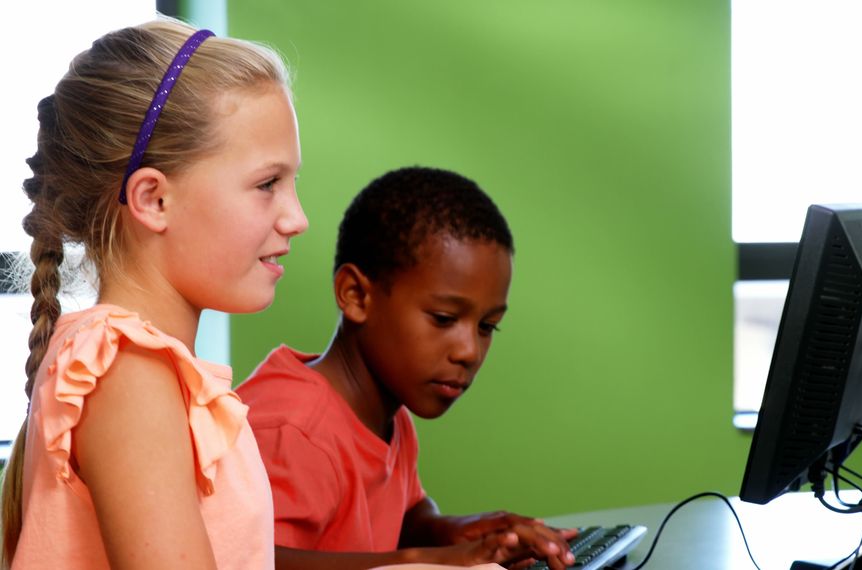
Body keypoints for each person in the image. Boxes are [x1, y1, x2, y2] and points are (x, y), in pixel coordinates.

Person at [0, 18, 308, 570]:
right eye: (267, 185)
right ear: (153, 200)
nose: (297, 218)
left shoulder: (130, 367)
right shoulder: (126, 372)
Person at [236, 166, 577, 570]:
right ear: (356, 295)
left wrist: (457, 534)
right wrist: (424, 562)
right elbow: (254, 561)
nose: (469, 351)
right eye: (443, 318)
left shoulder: (388, 412)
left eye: (487, 326)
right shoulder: (295, 429)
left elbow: (406, 515)